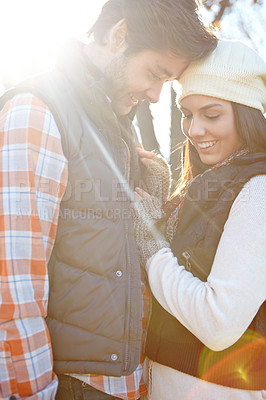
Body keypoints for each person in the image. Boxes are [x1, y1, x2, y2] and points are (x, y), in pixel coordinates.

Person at [0, 1, 217, 399]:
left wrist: (151, 194)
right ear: (119, 36)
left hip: (127, 385)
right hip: (70, 387)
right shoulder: (38, 111)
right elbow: (13, 288)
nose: (155, 95)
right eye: (155, 73)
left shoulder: (115, 130)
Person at [132, 39, 266, 400]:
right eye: (186, 114)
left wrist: (150, 241)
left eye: (211, 114)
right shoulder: (216, 183)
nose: (195, 130)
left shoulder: (259, 192)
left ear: (247, 111)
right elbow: (186, 267)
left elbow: (218, 323)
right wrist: (165, 206)